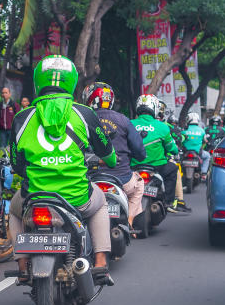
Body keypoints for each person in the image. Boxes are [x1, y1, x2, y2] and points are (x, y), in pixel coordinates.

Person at [9, 55, 117, 276]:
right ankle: (99, 260)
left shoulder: (21, 118)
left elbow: (16, 165)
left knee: (13, 210)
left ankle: (21, 265)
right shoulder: (85, 114)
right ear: (72, 82)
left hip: (35, 197)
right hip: (77, 198)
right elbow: (109, 155)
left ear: (38, 81)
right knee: (101, 202)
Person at [83, 82, 146, 233]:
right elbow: (139, 151)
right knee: (139, 184)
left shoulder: (83, 119)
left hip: (92, 180)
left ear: (89, 99)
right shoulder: (123, 120)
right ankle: (130, 220)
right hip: (123, 180)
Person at [130, 95, 179, 211]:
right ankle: (168, 202)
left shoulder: (129, 123)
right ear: (155, 108)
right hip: (157, 167)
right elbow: (173, 149)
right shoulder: (162, 127)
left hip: (133, 166)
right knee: (172, 168)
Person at [182, 112, 210, 179]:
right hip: (198, 153)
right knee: (207, 156)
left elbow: (181, 141)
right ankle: (204, 173)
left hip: (185, 153)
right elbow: (205, 141)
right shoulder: (202, 131)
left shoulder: (184, 131)